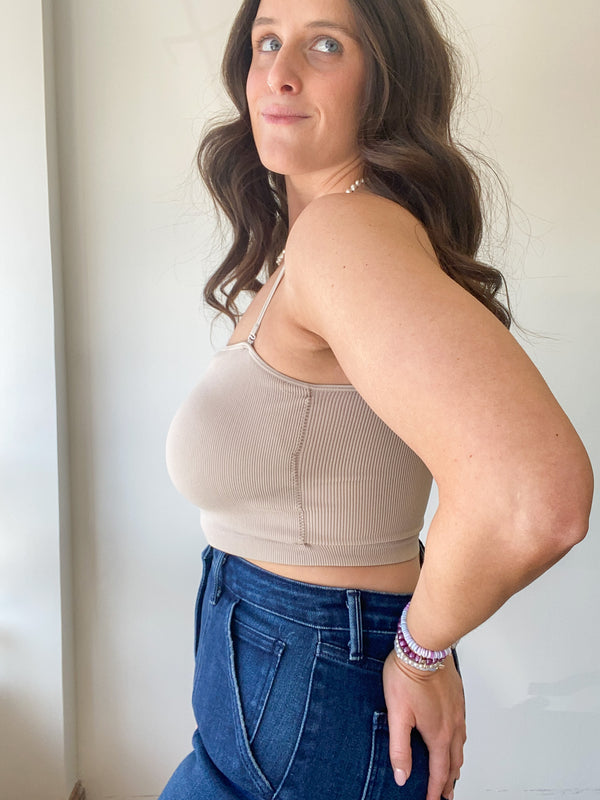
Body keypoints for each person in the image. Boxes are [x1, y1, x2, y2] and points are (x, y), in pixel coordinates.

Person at [159, 0, 593, 798]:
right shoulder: (320, 239)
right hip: (282, 684)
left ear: (385, 80)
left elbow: (538, 497)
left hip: (305, 684)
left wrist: (420, 651)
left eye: (325, 45)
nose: (279, 72)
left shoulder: (345, 235)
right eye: (266, 41)